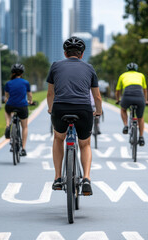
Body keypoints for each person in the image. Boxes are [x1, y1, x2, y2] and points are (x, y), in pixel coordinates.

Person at [47, 36, 102, 196]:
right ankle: (86, 179)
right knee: (84, 144)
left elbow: (51, 93)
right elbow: (97, 97)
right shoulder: (90, 68)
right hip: (83, 110)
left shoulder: (55, 66)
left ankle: (57, 178)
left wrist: (51, 110)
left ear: (65, 53)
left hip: (60, 108)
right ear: (82, 54)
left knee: (58, 138)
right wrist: (98, 111)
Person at [115, 62, 148, 146]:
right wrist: (146, 100)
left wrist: (117, 100)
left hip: (127, 96)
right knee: (140, 117)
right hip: (139, 97)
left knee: (123, 109)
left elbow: (118, 90)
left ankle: (125, 125)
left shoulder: (123, 75)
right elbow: (145, 90)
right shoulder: (141, 75)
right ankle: (141, 137)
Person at [4, 63, 33, 157]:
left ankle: (8, 125)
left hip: (11, 105)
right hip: (22, 106)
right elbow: (29, 95)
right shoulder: (25, 83)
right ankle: (23, 148)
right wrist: (30, 101)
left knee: (7, 111)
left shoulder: (8, 83)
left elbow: (6, 97)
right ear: (22, 73)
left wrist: (7, 100)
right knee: (24, 126)